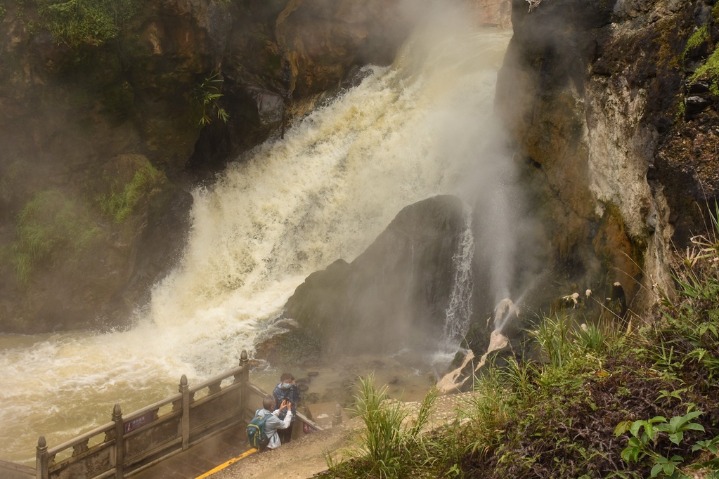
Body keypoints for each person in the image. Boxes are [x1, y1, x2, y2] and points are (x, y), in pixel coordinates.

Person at [272, 372, 300, 444]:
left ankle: (286, 446)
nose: (288, 384)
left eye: (290, 382)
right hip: (281, 417)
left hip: (291, 415)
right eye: (287, 382)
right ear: (282, 381)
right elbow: (275, 404)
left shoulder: (293, 388)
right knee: (280, 434)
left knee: (288, 435)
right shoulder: (276, 391)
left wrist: (295, 386)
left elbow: (297, 398)